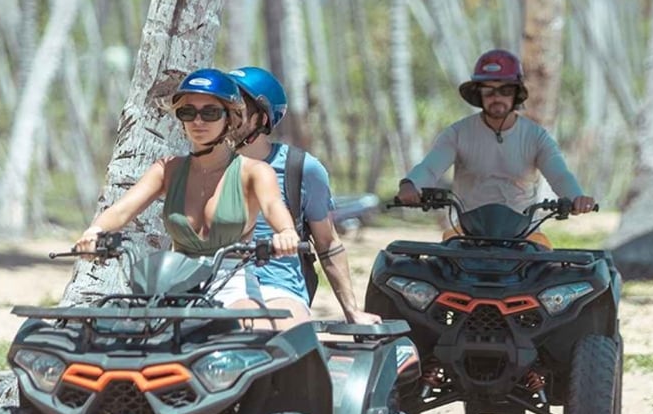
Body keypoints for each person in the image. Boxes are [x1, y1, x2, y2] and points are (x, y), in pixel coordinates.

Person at [73, 69, 301, 306]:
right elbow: (122, 210)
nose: (198, 121)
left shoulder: (255, 172)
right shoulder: (167, 169)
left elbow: (273, 206)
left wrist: (285, 232)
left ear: (230, 118)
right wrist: (95, 232)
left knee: (243, 327)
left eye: (210, 113)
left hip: (231, 282)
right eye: (188, 112)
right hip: (175, 279)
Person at [225, 66, 382, 327]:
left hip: (277, 289)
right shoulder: (202, 167)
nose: (227, 117)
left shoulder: (300, 168)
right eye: (222, 107)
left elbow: (328, 243)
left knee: (271, 337)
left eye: (237, 110)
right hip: (215, 286)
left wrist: (352, 312)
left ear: (261, 118)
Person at [396, 50, 596, 229]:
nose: (496, 97)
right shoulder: (458, 133)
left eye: (505, 90)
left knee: (549, 268)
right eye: (488, 91)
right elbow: (430, 167)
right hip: (468, 233)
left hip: (525, 234)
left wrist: (576, 197)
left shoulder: (537, 137)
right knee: (437, 267)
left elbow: (559, 174)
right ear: (479, 94)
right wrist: (411, 184)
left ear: (516, 94)